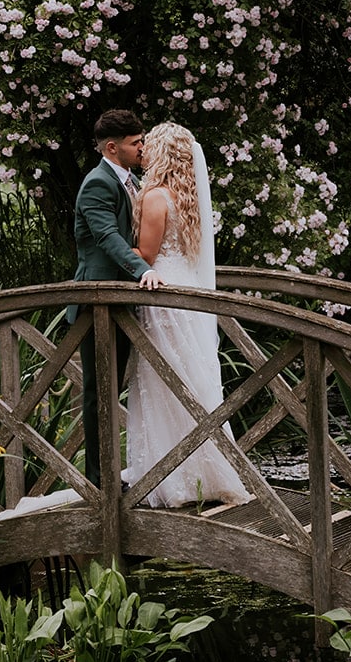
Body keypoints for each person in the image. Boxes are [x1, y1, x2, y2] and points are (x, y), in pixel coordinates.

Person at [124, 123, 249, 507]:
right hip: (187, 295)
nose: (143, 150)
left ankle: (168, 477)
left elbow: (145, 255)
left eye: (150, 145)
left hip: (161, 296)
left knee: (162, 383)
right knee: (190, 381)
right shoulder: (186, 197)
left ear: (162, 153)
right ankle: (202, 471)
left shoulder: (156, 196)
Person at [71, 108, 163, 489]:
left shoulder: (131, 180)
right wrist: (143, 270)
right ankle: (100, 481)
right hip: (98, 302)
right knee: (99, 392)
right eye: (135, 143)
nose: (143, 148)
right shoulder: (97, 183)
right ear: (112, 147)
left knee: (115, 389)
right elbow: (109, 239)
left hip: (119, 302)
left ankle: (113, 472)